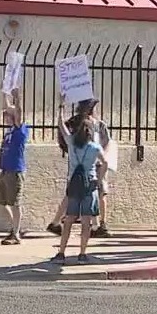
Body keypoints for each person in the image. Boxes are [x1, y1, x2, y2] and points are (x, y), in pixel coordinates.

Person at [53, 95, 107, 264]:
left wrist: (61, 107)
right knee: (86, 222)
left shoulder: (71, 143)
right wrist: (99, 179)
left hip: (74, 185)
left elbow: (61, 125)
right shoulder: (95, 147)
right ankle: (82, 253)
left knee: (69, 219)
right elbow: (105, 163)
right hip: (89, 185)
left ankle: (61, 252)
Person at [0, 89, 29, 246]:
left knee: (15, 203)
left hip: (15, 171)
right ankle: (15, 227)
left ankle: (16, 234)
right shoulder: (9, 130)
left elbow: (19, 112)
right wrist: (5, 93)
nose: (4, 116)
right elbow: (7, 107)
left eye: (7, 115)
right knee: (2, 202)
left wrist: (17, 98)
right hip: (5, 170)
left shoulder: (19, 130)